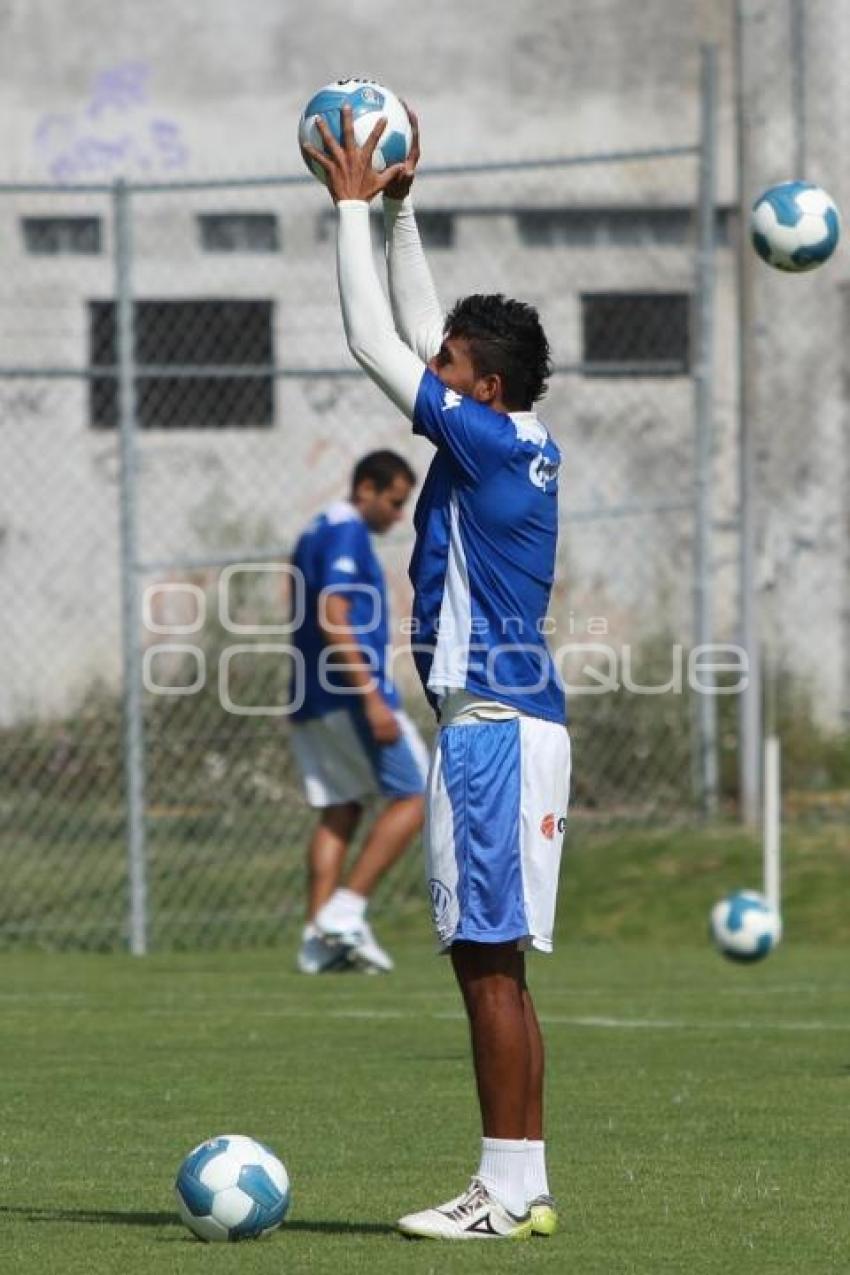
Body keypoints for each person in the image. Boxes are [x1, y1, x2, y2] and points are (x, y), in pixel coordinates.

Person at [302, 107, 571, 1240]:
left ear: (485, 392)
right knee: (492, 963)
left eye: (450, 370)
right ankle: (520, 1182)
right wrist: (404, 212)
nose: (431, 375)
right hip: (510, 726)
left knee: (486, 968)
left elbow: (375, 344)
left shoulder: (487, 439)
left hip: (491, 731)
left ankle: (506, 1193)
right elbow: (418, 333)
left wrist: (353, 213)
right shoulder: (510, 433)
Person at [289, 449, 429, 975]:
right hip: (349, 693)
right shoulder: (347, 532)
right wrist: (371, 696)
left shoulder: (315, 528)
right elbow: (333, 614)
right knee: (416, 795)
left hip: (311, 695)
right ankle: (346, 912)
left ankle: (316, 940)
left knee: (342, 808)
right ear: (366, 489)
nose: (398, 514)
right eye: (395, 502)